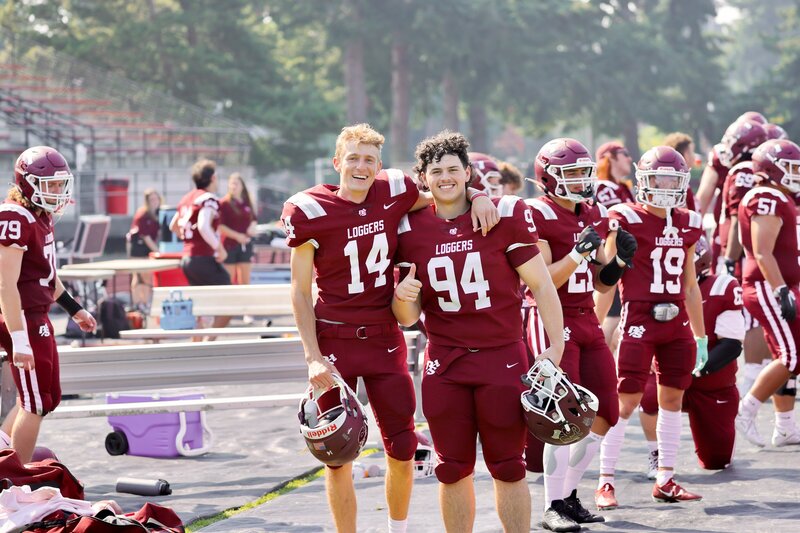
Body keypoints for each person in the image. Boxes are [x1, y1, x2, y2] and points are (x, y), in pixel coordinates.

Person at [281, 124, 497, 533]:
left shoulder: (394, 189)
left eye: (369, 160)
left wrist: (478, 193)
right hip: (334, 339)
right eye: (353, 158)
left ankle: (397, 530)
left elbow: (443, 193)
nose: (360, 167)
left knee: (402, 446)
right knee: (337, 450)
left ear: (379, 166)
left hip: (383, 335)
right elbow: (299, 290)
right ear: (336, 163)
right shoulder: (309, 209)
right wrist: (312, 357)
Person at [392, 131, 564, 533]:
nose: (446, 177)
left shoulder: (503, 214)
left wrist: (556, 345)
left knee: (508, 466)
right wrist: (403, 296)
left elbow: (540, 285)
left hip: (500, 356)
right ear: (423, 178)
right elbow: (406, 317)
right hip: (445, 361)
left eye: (454, 169)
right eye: (437, 171)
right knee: (451, 468)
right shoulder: (408, 229)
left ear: (468, 173)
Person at [523, 138, 637, 532]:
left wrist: (619, 261)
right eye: (570, 173)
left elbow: (603, 285)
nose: (580, 180)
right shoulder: (535, 212)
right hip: (552, 320)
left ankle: (568, 496)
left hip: (586, 318)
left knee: (605, 410)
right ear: (548, 177)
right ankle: (552, 504)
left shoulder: (594, 212)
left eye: (583, 172)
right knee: (562, 415)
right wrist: (575, 254)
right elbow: (540, 282)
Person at [594, 146, 706, 510]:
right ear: (644, 180)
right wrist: (595, 326)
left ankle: (665, 478)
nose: (666, 185)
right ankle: (605, 481)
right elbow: (606, 278)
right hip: (638, 315)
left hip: (676, 319)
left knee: (672, 399)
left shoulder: (688, 221)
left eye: (674, 179)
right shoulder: (624, 216)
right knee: (625, 400)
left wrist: (701, 336)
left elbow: (690, 285)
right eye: (659, 178)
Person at [0, 146, 96, 463]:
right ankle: (15, 481)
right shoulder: (15, 217)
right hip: (21, 317)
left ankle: (6, 460)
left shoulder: (40, 217)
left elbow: (48, 277)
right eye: (50, 185)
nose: (56, 191)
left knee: (45, 397)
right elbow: (5, 284)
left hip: (36, 315)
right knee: (35, 402)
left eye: (59, 184)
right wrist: (18, 338)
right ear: (27, 183)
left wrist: (75, 309)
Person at [637, 237, 744, 475]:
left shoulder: (722, 286)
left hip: (711, 383)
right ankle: (657, 454)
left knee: (716, 460)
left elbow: (731, 346)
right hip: (669, 374)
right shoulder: (653, 287)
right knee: (646, 394)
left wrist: (694, 368)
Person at [734, 139, 800, 448]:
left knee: (788, 355)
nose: (796, 174)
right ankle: (745, 410)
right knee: (790, 355)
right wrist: (781, 289)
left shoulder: (777, 195)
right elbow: (762, 252)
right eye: (791, 168)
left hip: (777, 284)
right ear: (772, 167)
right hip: (767, 285)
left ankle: (785, 427)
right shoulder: (766, 196)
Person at [170, 159, 232, 333]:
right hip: (203, 258)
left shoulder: (187, 198)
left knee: (200, 303)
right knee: (231, 302)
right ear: (213, 177)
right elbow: (204, 225)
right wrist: (218, 247)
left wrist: (188, 239)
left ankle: (198, 340)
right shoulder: (209, 199)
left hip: (187, 259)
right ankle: (209, 340)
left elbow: (173, 225)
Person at [593, 141, 635, 356]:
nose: (629, 158)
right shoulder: (604, 187)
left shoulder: (623, 188)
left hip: (625, 258)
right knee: (612, 318)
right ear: (610, 157)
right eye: (624, 153)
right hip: (612, 258)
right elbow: (612, 226)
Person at [219, 173, 258, 285]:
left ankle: (245, 301)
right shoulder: (224, 203)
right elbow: (220, 226)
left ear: (242, 186)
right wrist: (237, 236)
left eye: (236, 183)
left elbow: (253, 219)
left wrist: (252, 227)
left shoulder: (248, 202)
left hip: (246, 245)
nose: (233, 186)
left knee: (245, 281)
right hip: (229, 245)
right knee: (229, 280)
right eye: (231, 184)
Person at [126, 188, 161, 308]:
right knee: (139, 275)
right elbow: (146, 237)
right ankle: (138, 303)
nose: (154, 201)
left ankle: (145, 302)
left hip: (148, 249)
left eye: (156, 198)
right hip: (138, 248)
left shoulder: (157, 214)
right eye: (151, 199)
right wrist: (157, 252)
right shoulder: (143, 215)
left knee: (146, 276)